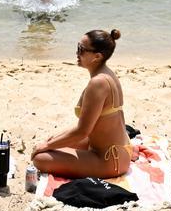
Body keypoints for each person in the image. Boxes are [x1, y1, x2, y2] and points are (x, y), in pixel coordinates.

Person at [33, 29, 134, 179]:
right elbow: (87, 127)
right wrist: (50, 142)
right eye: (78, 46)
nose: (77, 53)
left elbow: (82, 131)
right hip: (117, 149)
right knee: (50, 141)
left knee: (40, 158)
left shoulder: (98, 83)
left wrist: (47, 146)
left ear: (97, 56)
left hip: (109, 160)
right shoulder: (107, 73)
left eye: (81, 49)